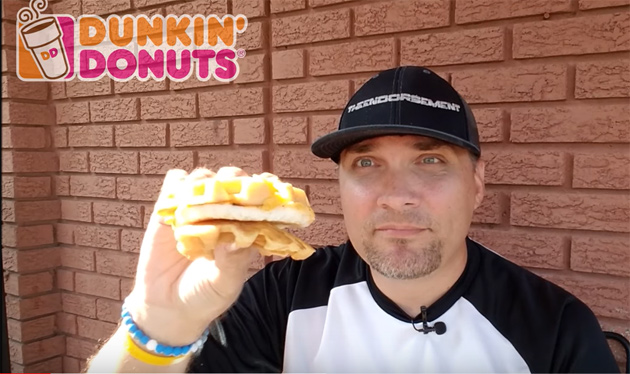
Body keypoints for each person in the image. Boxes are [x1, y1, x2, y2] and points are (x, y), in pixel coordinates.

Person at [87, 66, 619, 373]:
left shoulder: (555, 328)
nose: (395, 196)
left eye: (430, 160)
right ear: (339, 184)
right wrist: (160, 324)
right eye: (366, 163)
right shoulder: (281, 297)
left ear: (477, 184)